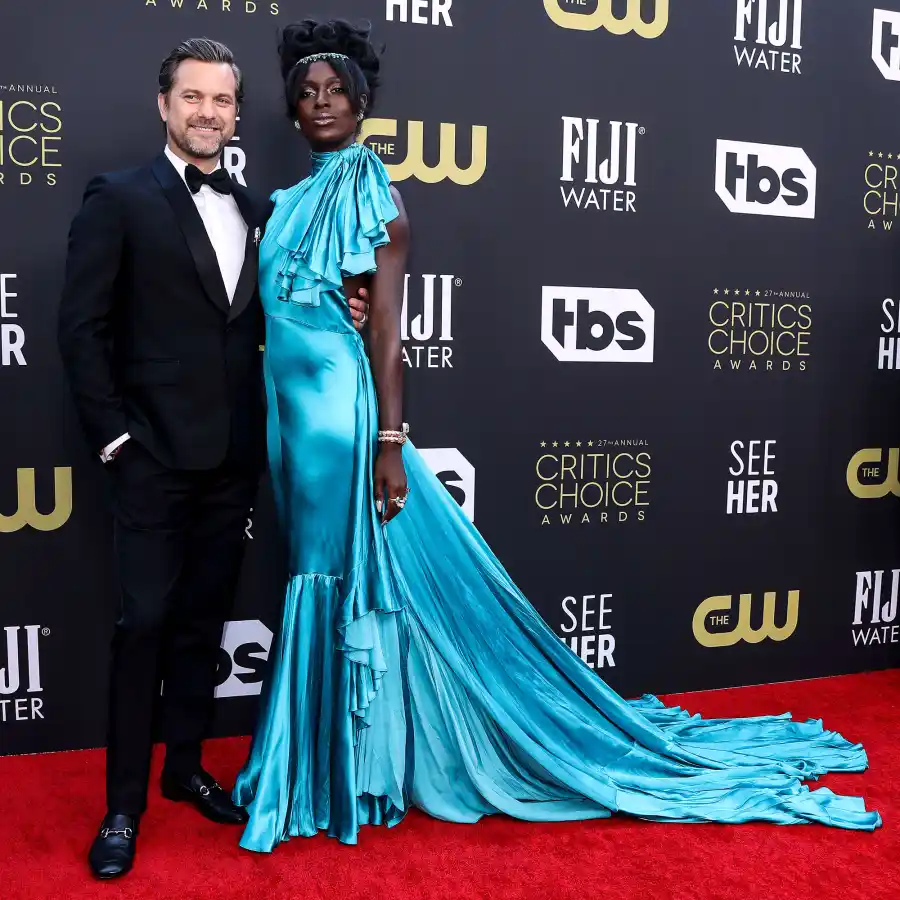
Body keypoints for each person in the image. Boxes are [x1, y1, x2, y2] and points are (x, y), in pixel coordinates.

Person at [233, 19, 882, 852]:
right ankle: (336, 755)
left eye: (337, 92)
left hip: (338, 419)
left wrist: (390, 440)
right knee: (314, 571)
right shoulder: (285, 202)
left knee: (329, 578)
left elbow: (386, 329)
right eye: (308, 93)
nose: (321, 103)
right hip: (284, 419)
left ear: (363, 105)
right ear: (291, 111)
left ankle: (319, 771)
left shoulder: (378, 195)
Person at [57, 37, 369, 880]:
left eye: (221, 100)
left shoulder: (257, 207)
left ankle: (186, 768)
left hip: (235, 460)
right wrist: (116, 441)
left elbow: (301, 306)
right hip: (151, 458)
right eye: (191, 97)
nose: (206, 112)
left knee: (202, 624)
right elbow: (81, 330)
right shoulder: (119, 197)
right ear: (164, 106)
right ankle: (123, 807)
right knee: (143, 627)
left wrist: (356, 299)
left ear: (236, 112)